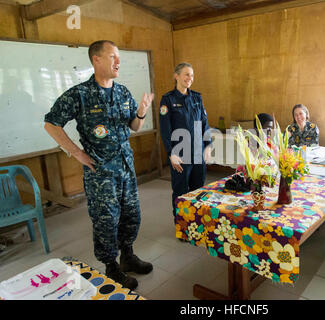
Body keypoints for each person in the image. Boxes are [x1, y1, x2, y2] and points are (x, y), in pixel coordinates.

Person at [44, 40, 154, 290]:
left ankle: (127, 256)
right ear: (96, 59)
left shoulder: (123, 92)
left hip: (126, 168)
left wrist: (141, 113)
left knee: (131, 216)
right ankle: (111, 267)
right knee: (106, 220)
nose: (118, 62)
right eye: (113, 56)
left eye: (119, 57)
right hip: (101, 173)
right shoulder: (80, 94)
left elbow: (134, 127)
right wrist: (76, 153)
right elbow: (51, 123)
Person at [159, 62, 212, 227]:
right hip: (180, 154)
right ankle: (182, 226)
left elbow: (205, 124)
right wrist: (170, 153)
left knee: (198, 190)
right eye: (186, 74)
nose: (190, 78)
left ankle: (196, 223)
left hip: (198, 153)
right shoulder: (168, 99)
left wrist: (208, 146)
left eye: (192, 75)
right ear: (176, 76)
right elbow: (165, 129)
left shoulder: (197, 97)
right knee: (181, 192)